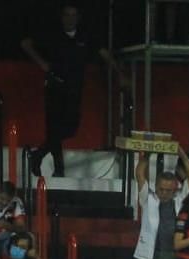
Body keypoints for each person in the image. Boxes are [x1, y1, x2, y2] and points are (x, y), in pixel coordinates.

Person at [21, 4, 121, 178]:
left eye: (73, 15)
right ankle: (59, 169)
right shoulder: (53, 35)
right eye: (67, 15)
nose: (70, 18)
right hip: (55, 86)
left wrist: (120, 73)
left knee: (70, 128)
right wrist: (42, 64)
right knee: (54, 129)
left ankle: (38, 155)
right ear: (62, 17)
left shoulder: (85, 36)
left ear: (78, 18)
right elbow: (25, 44)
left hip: (74, 89)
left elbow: (104, 53)